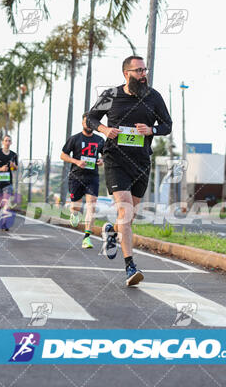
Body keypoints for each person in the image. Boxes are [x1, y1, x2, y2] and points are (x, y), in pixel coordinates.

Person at [86, 55, 172, 286]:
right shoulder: (111, 95)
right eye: (139, 71)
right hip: (115, 160)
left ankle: (111, 231)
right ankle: (130, 266)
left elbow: (167, 125)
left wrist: (151, 130)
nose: (144, 74)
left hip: (141, 162)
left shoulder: (153, 97)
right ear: (127, 73)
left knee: (128, 217)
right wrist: (105, 129)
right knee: (124, 210)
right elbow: (90, 118)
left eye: (145, 70)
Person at [60, 113, 104, 249]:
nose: (88, 125)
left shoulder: (100, 140)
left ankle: (87, 238)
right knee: (76, 207)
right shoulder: (75, 139)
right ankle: (73, 214)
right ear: (82, 123)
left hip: (92, 177)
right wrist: (76, 161)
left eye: (91, 123)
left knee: (92, 205)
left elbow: (106, 155)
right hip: (76, 176)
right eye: (86, 122)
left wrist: (102, 160)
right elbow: (63, 155)